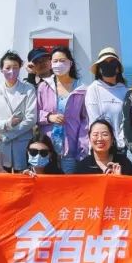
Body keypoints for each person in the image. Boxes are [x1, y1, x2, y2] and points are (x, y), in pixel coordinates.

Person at [0, 50, 38, 171]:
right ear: (1, 69)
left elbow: (31, 119)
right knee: (1, 175)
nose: (11, 71)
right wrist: (6, 124)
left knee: (23, 176)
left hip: (22, 143)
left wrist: (7, 135)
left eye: (15, 67)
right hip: (0, 144)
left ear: (20, 68)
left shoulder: (29, 89)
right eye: (7, 68)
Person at [36, 46, 88, 174]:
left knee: (68, 183)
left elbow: (85, 120)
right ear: (51, 64)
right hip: (47, 149)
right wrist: (48, 117)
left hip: (71, 148)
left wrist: (83, 146)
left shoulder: (82, 89)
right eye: (55, 61)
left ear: (70, 63)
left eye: (62, 60)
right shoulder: (43, 86)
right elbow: (35, 113)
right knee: (46, 183)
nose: (59, 64)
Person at [84, 47, 128, 152]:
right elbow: (95, 119)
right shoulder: (93, 89)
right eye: (104, 64)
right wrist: (107, 139)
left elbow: (126, 119)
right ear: (99, 69)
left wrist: (120, 140)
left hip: (121, 145)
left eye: (112, 63)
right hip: (100, 144)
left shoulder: (124, 90)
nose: (108, 66)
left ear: (117, 68)